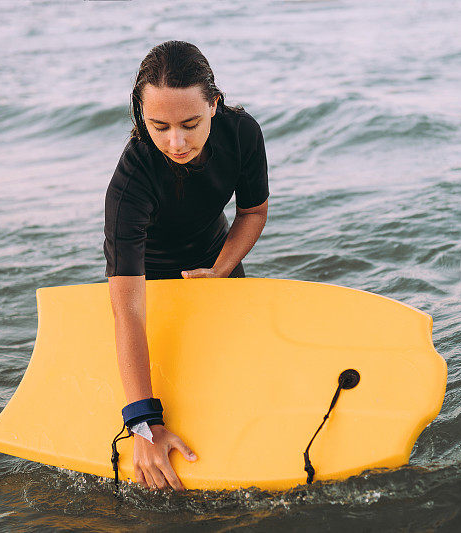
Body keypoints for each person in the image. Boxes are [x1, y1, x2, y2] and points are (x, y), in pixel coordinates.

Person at [103, 41, 269, 492]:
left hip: (217, 257)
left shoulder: (241, 133)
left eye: (191, 124)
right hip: (149, 279)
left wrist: (219, 270)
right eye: (159, 126)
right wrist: (142, 425)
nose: (176, 142)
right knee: (172, 389)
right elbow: (128, 310)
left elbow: (252, 213)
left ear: (214, 105)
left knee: (232, 370)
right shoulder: (131, 183)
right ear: (141, 114)